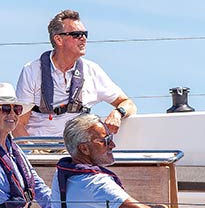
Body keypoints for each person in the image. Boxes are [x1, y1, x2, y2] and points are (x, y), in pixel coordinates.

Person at [15, 9, 138, 137]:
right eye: (77, 34)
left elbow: (129, 104)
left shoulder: (92, 70)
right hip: (39, 149)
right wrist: (31, 152)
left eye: (85, 34)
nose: (83, 39)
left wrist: (118, 112)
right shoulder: (32, 71)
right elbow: (19, 124)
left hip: (77, 151)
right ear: (58, 39)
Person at [51, 114, 172, 208]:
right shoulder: (96, 184)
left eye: (111, 138)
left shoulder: (63, 173)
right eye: (105, 140)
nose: (112, 145)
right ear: (84, 148)